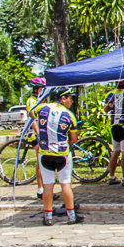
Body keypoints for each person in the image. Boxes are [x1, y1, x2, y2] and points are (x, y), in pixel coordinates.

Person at [35, 88, 80, 226]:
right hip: (62, 154)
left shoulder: (42, 108)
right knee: (65, 184)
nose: (71, 101)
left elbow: (31, 113)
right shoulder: (70, 115)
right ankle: (71, 216)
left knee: (48, 185)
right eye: (70, 98)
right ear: (63, 99)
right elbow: (73, 138)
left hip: (45, 153)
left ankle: (48, 217)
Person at [26, 77, 47, 198]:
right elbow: (32, 118)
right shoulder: (32, 101)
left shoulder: (40, 100)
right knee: (41, 161)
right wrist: (39, 132)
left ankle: (43, 188)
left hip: (40, 132)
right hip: (35, 134)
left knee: (42, 161)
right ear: (38, 89)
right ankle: (41, 190)